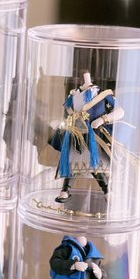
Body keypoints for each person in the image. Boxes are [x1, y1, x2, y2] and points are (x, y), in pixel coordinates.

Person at [49, 71, 124, 202]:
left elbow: (120, 111)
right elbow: (69, 116)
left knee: (95, 163)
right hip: (74, 133)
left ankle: (107, 190)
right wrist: (59, 123)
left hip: (94, 135)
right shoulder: (73, 96)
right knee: (71, 161)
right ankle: (65, 190)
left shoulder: (102, 94)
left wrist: (103, 119)